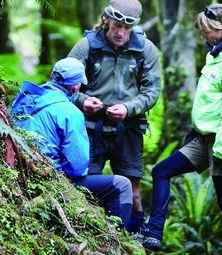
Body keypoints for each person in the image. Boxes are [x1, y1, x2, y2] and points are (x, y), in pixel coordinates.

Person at [140, 3, 222, 255]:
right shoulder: (216, 56)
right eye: (202, 32)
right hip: (204, 138)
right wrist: (194, 133)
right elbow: (211, 103)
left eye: (207, 32)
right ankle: (154, 233)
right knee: (161, 171)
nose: (203, 37)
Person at [66, 0, 161, 233]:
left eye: (127, 28)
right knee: (87, 187)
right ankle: (93, 235)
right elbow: (63, 83)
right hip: (89, 129)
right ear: (107, 19)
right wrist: (83, 100)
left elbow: (153, 91)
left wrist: (129, 108)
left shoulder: (145, 49)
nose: (121, 33)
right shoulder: (88, 45)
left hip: (128, 129)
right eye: (118, 26)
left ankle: (135, 239)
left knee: (133, 190)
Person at [10, 57, 132, 227]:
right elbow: (77, 168)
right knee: (122, 185)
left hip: (18, 172)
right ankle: (121, 240)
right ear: (76, 87)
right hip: (50, 180)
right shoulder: (71, 113)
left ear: (53, 75)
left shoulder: (25, 98)